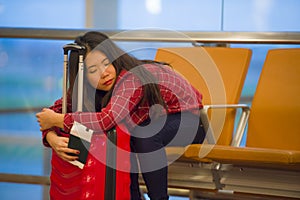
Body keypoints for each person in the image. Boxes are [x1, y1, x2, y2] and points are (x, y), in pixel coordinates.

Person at [36, 31, 205, 200]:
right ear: (83, 77)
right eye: (94, 70)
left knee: (142, 134)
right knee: (122, 136)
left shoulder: (130, 79)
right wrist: (51, 138)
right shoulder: (89, 89)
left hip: (190, 122)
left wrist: (57, 121)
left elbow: (105, 120)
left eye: (106, 63)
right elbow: (51, 113)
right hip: (153, 122)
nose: (104, 73)